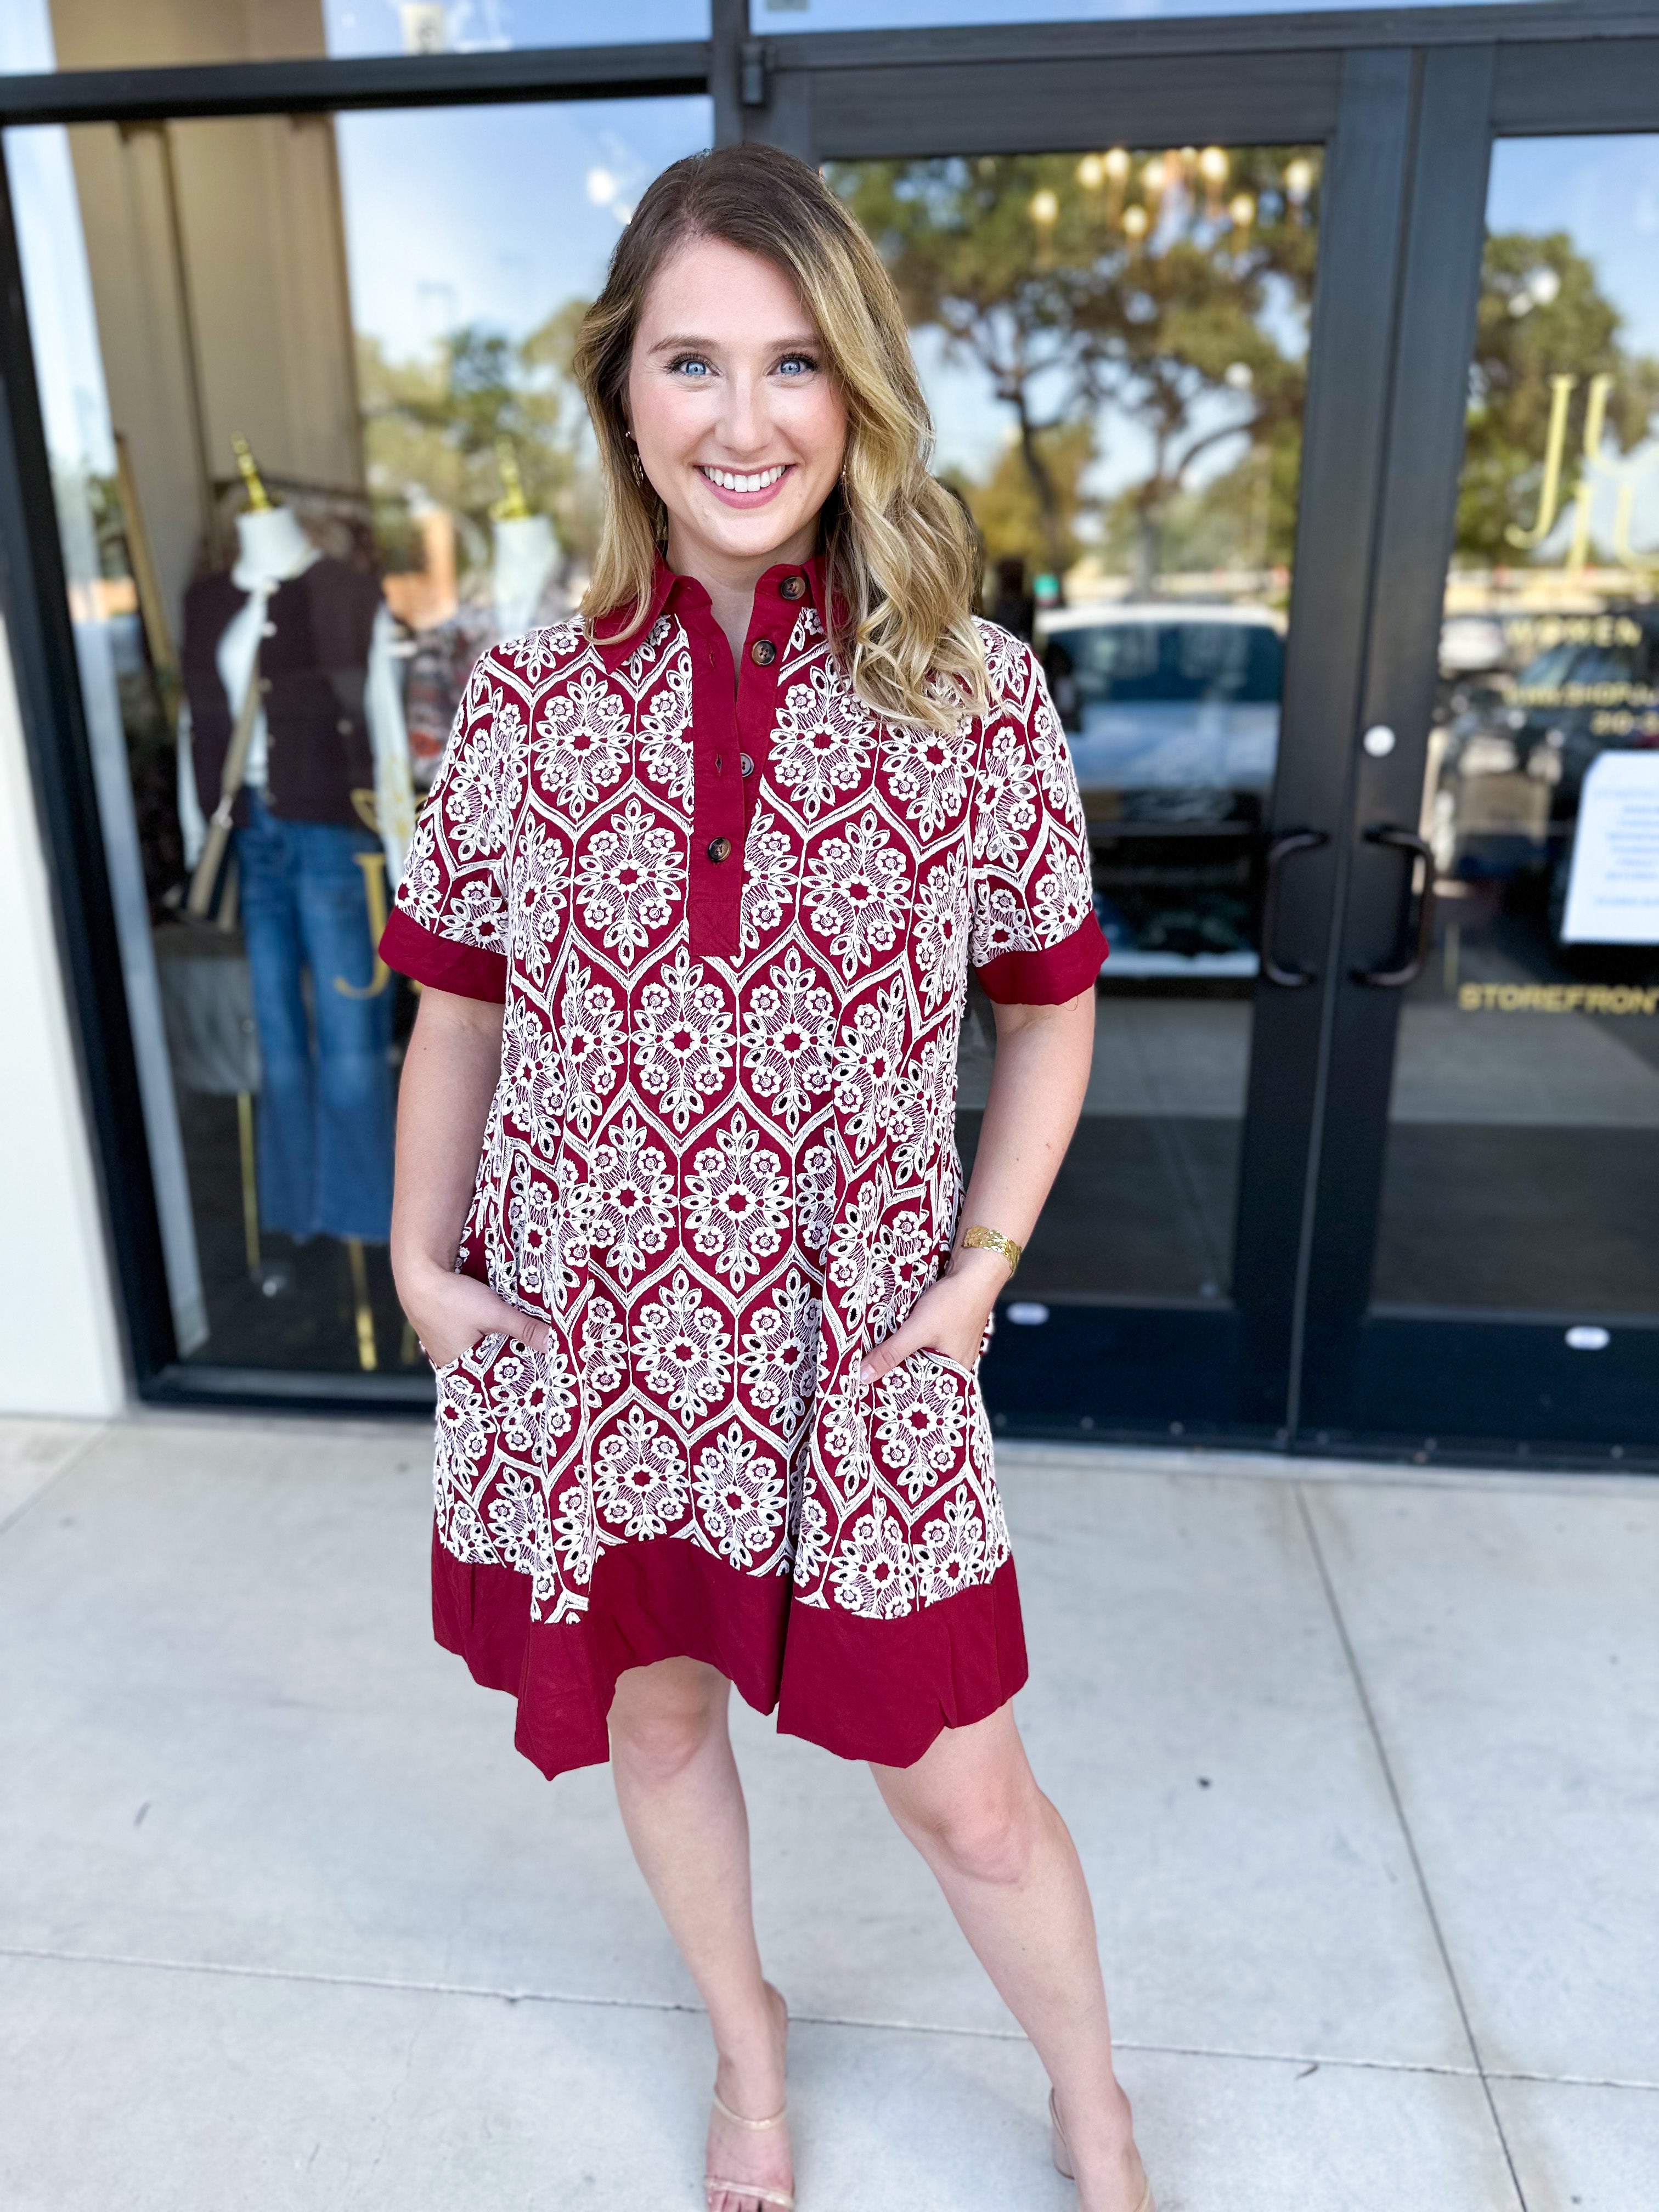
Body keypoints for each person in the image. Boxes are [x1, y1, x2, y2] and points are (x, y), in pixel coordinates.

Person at [383, 143, 1152, 2212]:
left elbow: (1053, 1003)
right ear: (622, 394)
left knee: (967, 1795)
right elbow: (458, 1008)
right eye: (692, 362)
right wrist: (418, 1262)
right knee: (650, 1727)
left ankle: (1091, 2101)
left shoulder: (976, 699)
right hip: (604, 1333)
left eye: (794, 364)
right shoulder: (523, 704)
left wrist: (979, 1268)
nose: (745, 420)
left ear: (858, 391)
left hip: (855, 1341)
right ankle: (749, 2054)